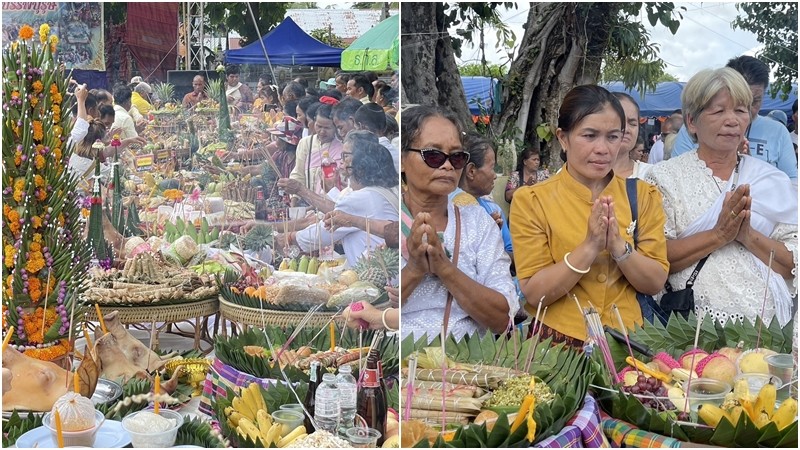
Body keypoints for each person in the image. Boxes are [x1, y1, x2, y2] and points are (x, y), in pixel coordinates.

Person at [510, 85, 669, 345]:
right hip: (558, 345)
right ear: (563, 138)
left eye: (612, 137)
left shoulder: (643, 196)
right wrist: (590, 246)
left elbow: (654, 282)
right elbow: (534, 293)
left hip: (628, 341)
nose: (603, 149)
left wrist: (619, 246)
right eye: (590, 135)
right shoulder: (533, 201)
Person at [644, 68, 797, 326]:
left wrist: (747, 236)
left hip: (767, 330)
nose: (732, 120)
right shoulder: (664, 178)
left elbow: (792, 262)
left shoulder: (770, 180)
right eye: (718, 111)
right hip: (691, 329)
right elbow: (654, 258)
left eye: (740, 110)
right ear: (692, 122)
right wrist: (719, 235)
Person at [401, 105, 517, 341]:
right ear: (402, 160)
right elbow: (362, 310)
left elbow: (502, 319)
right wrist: (414, 270)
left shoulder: (478, 224)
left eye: (456, 157)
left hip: (463, 367)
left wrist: (444, 268)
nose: (447, 166)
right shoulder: (383, 220)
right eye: (433, 155)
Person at [671, 56, 797, 184]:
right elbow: (678, 179)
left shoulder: (778, 131)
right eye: (719, 111)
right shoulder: (694, 129)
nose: (733, 120)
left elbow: (792, 183)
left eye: (755, 101)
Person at [275, 140, 399, 268]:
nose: (341, 166)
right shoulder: (382, 191)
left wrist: (289, 237)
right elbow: (340, 209)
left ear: (361, 171)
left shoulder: (363, 197)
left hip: (378, 274)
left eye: (348, 164)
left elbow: (322, 234)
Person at [451, 135, 513, 262]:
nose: (495, 175)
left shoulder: (494, 209)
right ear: (471, 171)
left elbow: (511, 251)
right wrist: (486, 234)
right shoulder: (449, 206)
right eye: (492, 167)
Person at [283, 103, 344, 206]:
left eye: (327, 128)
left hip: (331, 204)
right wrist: (294, 200)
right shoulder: (306, 143)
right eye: (319, 126)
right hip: (307, 204)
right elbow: (298, 173)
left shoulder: (342, 147)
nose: (322, 131)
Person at [612, 92, 654, 180]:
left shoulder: (651, 175)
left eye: (632, 123)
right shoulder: (580, 173)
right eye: (619, 121)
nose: (626, 129)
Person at [354, 103, 400, 171]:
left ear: (362, 127)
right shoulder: (397, 153)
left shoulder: (366, 157)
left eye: (356, 129)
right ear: (385, 127)